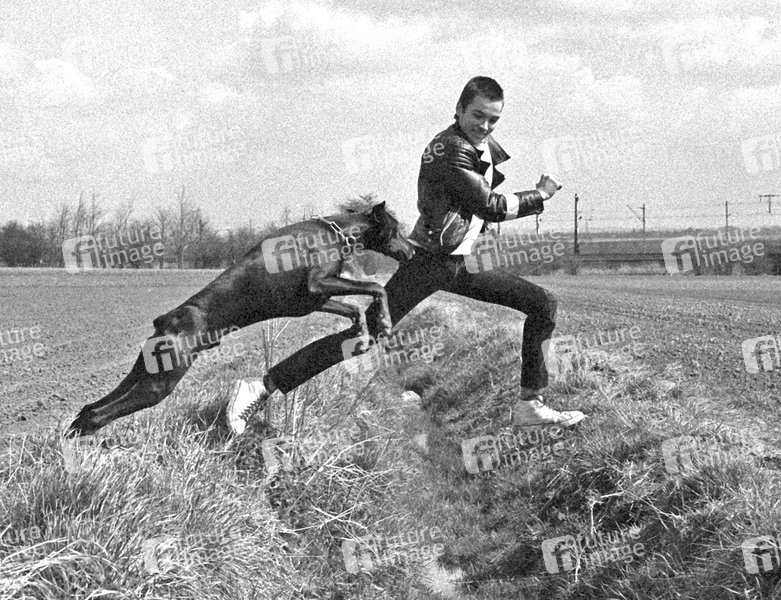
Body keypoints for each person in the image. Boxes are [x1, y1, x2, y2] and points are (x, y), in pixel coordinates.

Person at [227, 76, 585, 434]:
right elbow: (490, 205)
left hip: (457, 262)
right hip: (429, 263)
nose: (486, 126)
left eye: (494, 119)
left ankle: (530, 404)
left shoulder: (480, 146)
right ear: (459, 110)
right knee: (362, 339)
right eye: (478, 116)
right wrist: (540, 195)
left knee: (543, 303)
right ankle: (259, 387)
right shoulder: (450, 149)